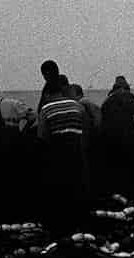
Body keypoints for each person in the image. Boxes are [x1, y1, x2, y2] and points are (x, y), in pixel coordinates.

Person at [37, 81, 94, 232]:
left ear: (48, 94)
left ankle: (63, 227)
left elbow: (42, 135)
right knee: (79, 187)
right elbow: (86, 129)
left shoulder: (46, 108)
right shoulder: (77, 105)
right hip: (77, 152)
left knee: (61, 190)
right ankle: (82, 225)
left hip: (58, 153)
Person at [100, 75, 134, 195]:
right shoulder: (128, 96)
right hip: (128, 140)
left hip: (110, 142)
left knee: (115, 173)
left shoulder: (107, 100)